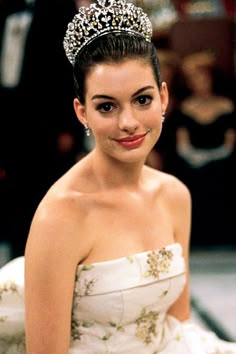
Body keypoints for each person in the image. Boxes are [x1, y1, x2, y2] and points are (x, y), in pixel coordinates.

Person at [0, 1, 236, 353]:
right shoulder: (60, 215)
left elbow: (178, 327)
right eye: (107, 106)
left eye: (142, 99)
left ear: (164, 98)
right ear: (82, 111)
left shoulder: (174, 195)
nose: (128, 122)